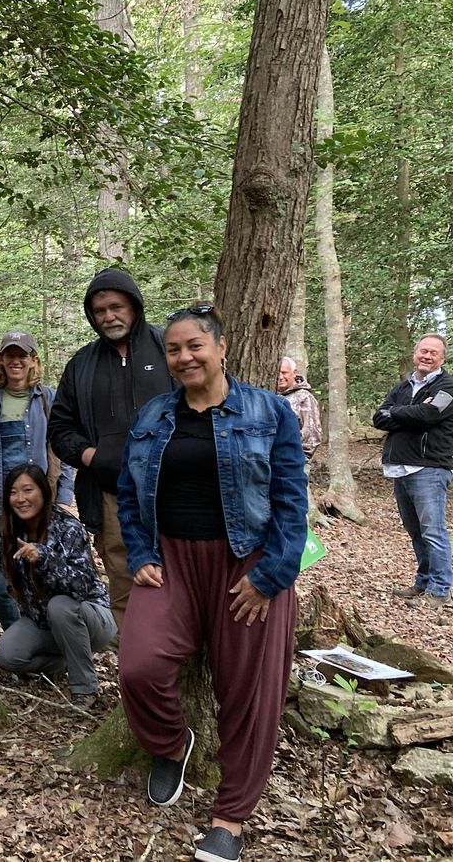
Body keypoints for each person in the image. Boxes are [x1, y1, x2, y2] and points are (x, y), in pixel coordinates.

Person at [116, 305, 307, 862]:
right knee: (139, 665)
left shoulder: (270, 413)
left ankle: (231, 818)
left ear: (221, 348)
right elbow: (129, 494)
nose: (184, 357)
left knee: (247, 693)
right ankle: (171, 745)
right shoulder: (153, 416)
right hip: (170, 562)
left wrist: (271, 576)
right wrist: (143, 551)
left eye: (195, 346)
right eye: (174, 350)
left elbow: (293, 503)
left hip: (246, 566)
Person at [48, 268, 172, 633]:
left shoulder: (167, 347)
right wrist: (92, 457)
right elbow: (60, 428)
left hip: (175, 493)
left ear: (134, 306)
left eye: (116, 306)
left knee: (180, 582)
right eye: (100, 310)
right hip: (111, 495)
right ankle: (136, 673)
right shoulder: (82, 364)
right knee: (126, 583)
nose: (109, 316)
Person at [0, 331, 74, 630]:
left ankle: (48, 644)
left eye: (22, 355)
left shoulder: (48, 399)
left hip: (41, 505)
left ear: (32, 360)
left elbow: (61, 450)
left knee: (43, 580)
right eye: (10, 355)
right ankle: (20, 638)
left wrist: (64, 497)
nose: (16, 361)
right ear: (1, 360)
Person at [0, 464, 114, 707]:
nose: (21, 499)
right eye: (14, 492)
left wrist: (44, 558)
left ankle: (84, 689)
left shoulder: (67, 526)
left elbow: (81, 586)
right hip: (44, 622)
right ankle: (67, 662)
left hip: (92, 617)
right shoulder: (12, 532)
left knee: (59, 605)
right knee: (6, 655)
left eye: (28, 490)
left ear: (44, 493)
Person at [373, 333, 453, 610]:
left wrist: (397, 413)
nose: (427, 356)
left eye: (433, 353)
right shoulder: (404, 384)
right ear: (415, 353)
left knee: (433, 530)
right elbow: (378, 418)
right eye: (423, 351)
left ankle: (441, 589)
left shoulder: (448, 386)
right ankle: (424, 581)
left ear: (442, 357)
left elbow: (430, 415)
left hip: (429, 467)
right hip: (400, 467)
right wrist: (409, 412)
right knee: (415, 530)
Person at [277, 357, 322, 459]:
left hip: (294, 462)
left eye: (284, 373)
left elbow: (312, 435)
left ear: (294, 373)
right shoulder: (270, 395)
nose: (280, 377)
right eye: (277, 372)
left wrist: (300, 461)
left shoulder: (304, 397)